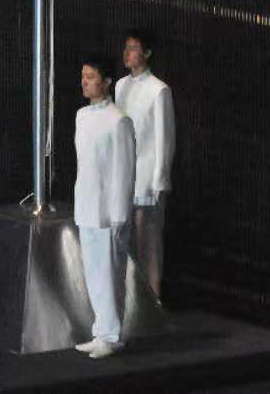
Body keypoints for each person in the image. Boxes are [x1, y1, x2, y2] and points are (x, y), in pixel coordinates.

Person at [74, 53, 136, 361]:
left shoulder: (118, 120)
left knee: (109, 271)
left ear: (107, 82)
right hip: (86, 203)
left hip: (108, 209)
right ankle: (101, 330)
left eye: (91, 77)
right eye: (83, 77)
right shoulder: (82, 116)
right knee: (93, 272)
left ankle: (111, 335)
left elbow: (123, 171)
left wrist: (119, 214)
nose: (85, 82)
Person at [115, 30, 174, 300]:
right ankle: (131, 297)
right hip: (125, 172)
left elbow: (164, 137)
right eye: (126, 47)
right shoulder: (120, 86)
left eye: (134, 48)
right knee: (125, 236)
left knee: (147, 239)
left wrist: (160, 179)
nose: (128, 53)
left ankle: (153, 297)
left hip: (148, 175)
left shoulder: (159, 89)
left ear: (147, 53)